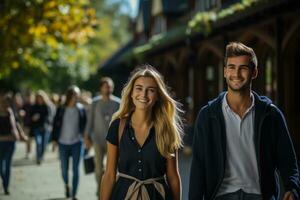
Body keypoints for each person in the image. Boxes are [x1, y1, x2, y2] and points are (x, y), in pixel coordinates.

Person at [189, 42, 300, 200]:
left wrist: (292, 188)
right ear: (225, 72)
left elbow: (288, 161)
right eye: (232, 67)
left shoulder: (271, 115)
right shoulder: (207, 116)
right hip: (221, 195)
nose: (237, 74)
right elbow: (198, 167)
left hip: (260, 196)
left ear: (254, 72)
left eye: (243, 68)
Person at [101, 65, 183, 200]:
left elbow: (173, 177)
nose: (143, 94)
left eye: (150, 90)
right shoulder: (117, 126)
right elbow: (109, 174)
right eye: (139, 88)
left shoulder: (167, 130)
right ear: (131, 93)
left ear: (157, 96)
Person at [84, 77, 120, 197]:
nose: (108, 88)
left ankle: (108, 192)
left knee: (112, 169)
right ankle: (100, 189)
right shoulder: (95, 103)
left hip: (114, 142)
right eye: (106, 86)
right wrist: (86, 137)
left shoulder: (118, 103)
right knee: (99, 169)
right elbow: (90, 121)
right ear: (101, 88)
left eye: (110, 86)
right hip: (98, 140)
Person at [52, 86, 86, 200]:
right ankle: (67, 184)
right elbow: (55, 125)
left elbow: (85, 125)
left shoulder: (81, 109)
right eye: (75, 94)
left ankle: (74, 194)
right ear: (70, 95)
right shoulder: (61, 109)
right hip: (63, 143)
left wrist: (85, 138)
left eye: (78, 94)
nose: (77, 97)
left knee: (76, 169)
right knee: (64, 168)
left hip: (77, 143)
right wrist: (54, 141)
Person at [0, 91, 27, 195]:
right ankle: (4, 181)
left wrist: (22, 134)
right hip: (1, 141)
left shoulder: (10, 112)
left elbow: (17, 124)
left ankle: (6, 186)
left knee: (8, 164)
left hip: (11, 141)